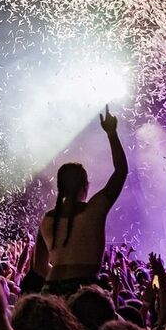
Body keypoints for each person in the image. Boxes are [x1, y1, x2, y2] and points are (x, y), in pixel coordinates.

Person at [37, 107, 127, 296]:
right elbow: (121, 171)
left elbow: (38, 266)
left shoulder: (47, 219)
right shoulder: (94, 210)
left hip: (50, 289)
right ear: (84, 186)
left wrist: (57, 285)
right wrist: (111, 133)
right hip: (83, 290)